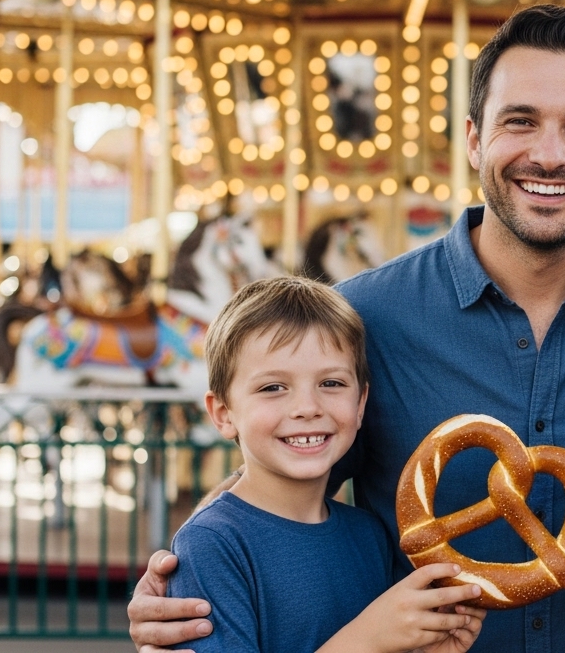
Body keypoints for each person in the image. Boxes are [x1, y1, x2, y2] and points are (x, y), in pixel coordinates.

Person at [129, 4, 565, 653]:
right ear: (473, 139)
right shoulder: (363, 319)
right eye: (520, 122)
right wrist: (189, 574)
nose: (549, 155)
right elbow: (273, 485)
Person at [170, 276, 485, 653]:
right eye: (273, 387)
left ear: (361, 403)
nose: (307, 408)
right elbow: (369, 641)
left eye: (331, 383)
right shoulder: (211, 544)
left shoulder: (370, 535)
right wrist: (369, 638)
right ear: (223, 414)